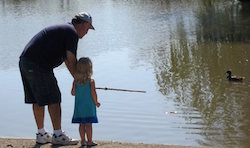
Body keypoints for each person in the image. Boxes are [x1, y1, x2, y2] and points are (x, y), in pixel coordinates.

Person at [19, 11, 95, 145]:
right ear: (83, 24)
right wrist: (81, 81)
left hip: (26, 61)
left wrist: (77, 79)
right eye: (88, 28)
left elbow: (67, 60)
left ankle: (41, 134)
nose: (87, 32)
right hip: (38, 64)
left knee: (37, 100)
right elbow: (71, 59)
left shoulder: (67, 30)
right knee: (54, 98)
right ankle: (58, 135)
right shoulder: (72, 32)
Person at [71, 57, 100, 147]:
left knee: (81, 124)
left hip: (79, 106)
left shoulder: (75, 81)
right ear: (89, 68)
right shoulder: (91, 81)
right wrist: (96, 102)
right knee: (88, 124)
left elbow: (73, 93)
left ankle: (83, 141)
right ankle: (89, 141)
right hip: (89, 107)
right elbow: (93, 93)